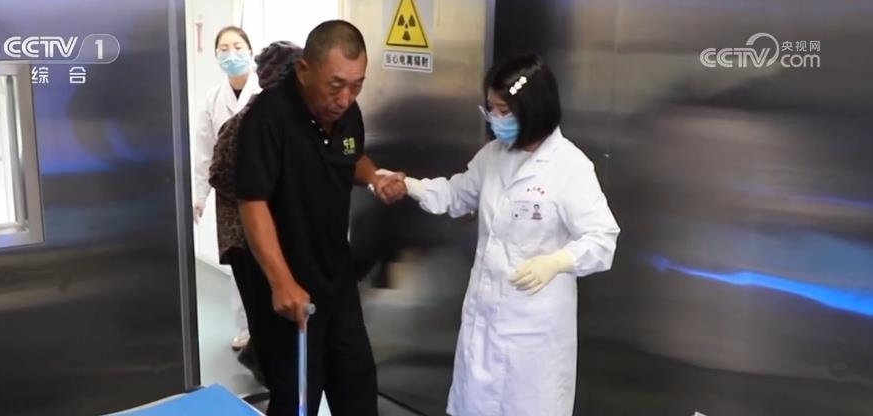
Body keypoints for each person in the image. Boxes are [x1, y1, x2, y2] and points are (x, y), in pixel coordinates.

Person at [401, 53, 620, 416]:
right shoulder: (493, 155)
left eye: (504, 111)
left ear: (532, 109)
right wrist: (409, 185)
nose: (495, 119)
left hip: (532, 336)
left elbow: (602, 237)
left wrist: (557, 261)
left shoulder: (570, 166)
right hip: (483, 323)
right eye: (490, 109)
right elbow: (457, 194)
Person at [235, 20, 405, 416]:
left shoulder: (347, 114)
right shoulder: (269, 117)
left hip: (336, 277)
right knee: (298, 396)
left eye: (357, 85)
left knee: (357, 386)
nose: (345, 98)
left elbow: (349, 155)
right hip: (286, 282)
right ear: (304, 70)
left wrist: (375, 177)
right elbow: (253, 201)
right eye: (335, 85)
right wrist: (281, 282)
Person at [209, 40, 305, 384]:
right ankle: (267, 372)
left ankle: (265, 363)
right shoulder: (249, 120)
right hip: (243, 236)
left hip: (266, 234)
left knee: (272, 316)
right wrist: (259, 194)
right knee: (263, 313)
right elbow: (218, 173)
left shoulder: (288, 116)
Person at [192, 25, 261, 351]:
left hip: (265, 191)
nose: (231, 54)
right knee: (239, 261)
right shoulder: (213, 99)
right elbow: (204, 152)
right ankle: (246, 327)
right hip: (229, 195)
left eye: (237, 47)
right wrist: (199, 195)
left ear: (250, 51)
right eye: (223, 49)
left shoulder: (266, 93)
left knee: (265, 256)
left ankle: (270, 326)